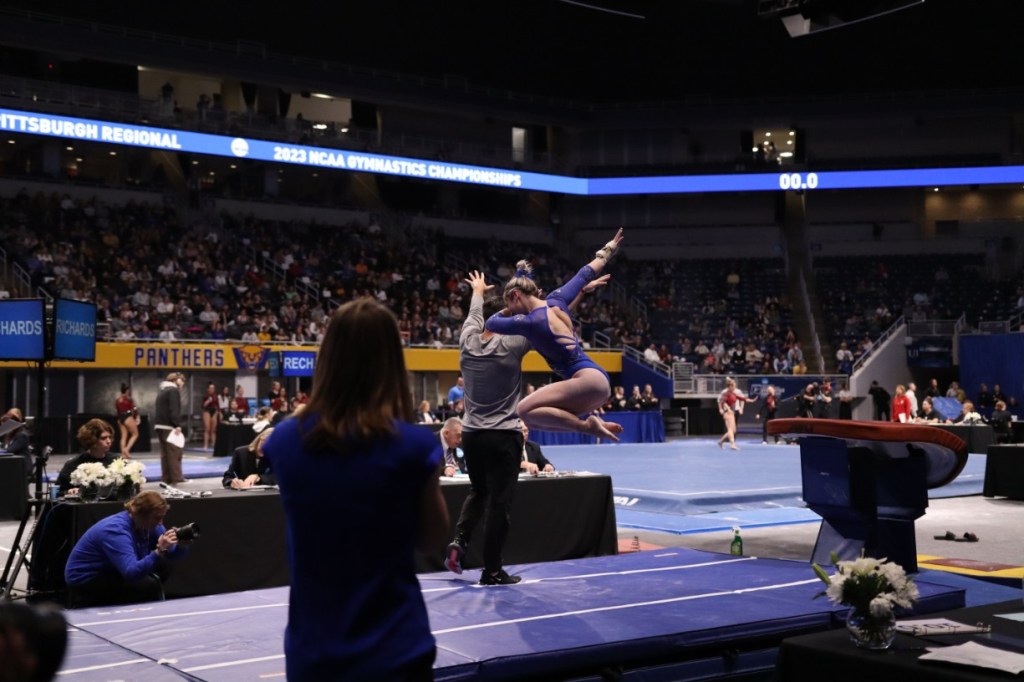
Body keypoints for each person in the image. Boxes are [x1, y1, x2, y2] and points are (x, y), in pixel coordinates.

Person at [263, 298, 449, 681]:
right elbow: (433, 540)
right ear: (392, 363)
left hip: (313, 653)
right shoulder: (416, 447)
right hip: (395, 650)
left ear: (326, 359)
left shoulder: (282, 443)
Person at [486, 228, 622, 440]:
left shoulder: (529, 322)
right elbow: (585, 273)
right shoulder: (557, 299)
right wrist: (608, 250)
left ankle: (588, 427)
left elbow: (491, 322)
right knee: (546, 414)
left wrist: (506, 309)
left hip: (585, 382)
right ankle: (590, 423)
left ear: (515, 295)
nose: (511, 312)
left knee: (524, 411)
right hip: (598, 382)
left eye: (510, 305)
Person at [445, 271, 533, 586]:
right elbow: (542, 315)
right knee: (499, 502)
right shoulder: (513, 345)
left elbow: (473, 313)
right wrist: (520, 300)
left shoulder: (467, 340)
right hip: (503, 435)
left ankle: (459, 540)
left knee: (478, 490)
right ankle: (492, 570)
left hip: (471, 434)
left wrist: (479, 291)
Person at [64, 491, 186, 608]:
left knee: (165, 565)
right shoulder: (115, 530)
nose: (161, 522)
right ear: (140, 514)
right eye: (157, 517)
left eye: (162, 517)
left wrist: (181, 544)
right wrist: (159, 551)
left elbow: (172, 555)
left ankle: (134, 601)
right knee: (147, 584)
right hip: (86, 577)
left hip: (112, 570)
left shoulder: (150, 523)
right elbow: (131, 572)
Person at [56, 419, 119, 495]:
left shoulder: (116, 460)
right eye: (103, 438)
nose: (109, 441)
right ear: (92, 440)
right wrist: (69, 491)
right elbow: (58, 491)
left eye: (110, 437)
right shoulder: (73, 464)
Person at [154, 372, 187, 485]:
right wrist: (177, 424)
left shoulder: (162, 390)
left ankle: (166, 478)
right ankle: (177, 478)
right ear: (175, 380)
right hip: (169, 426)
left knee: (165, 454)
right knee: (174, 452)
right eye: (182, 380)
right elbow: (173, 409)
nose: (183, 383)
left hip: (160, 425)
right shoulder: (173, 391)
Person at [717, 378, 756, 450]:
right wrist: (726, 408)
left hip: (732, 413)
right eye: (734, 386)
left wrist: (752, 400)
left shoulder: (733, 394)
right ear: (730, 386)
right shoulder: (726, 393)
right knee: (730, 429)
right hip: (728, 413)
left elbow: (743, 399)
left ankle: (720, 442)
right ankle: (732, 444)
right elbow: (723, 402)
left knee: (733, 430)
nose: (735, 387)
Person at [114, 383, 139, 458]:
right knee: (135, 434)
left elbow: (117, 411)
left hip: (120, 417)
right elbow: (134, 409)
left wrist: (119, 419)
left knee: (124, 436)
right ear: (127, 390)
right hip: (127, 416)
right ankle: (126, 449)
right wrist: (137, 417)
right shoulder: (128, 399)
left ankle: (123, 454)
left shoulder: (117, 400)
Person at [200, 382, 218, 451]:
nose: (212, 389)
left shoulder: (216, 396)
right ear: (208, 389)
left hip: (214, 412)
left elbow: (217, 405)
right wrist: (208, 401)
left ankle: (214, 445)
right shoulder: (205, 396)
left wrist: (217, 412)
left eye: (213, 388)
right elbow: (203, 406)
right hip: (207, 411)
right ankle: (205, 445)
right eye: (210, 388)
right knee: (207, 429)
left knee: (213, 430)